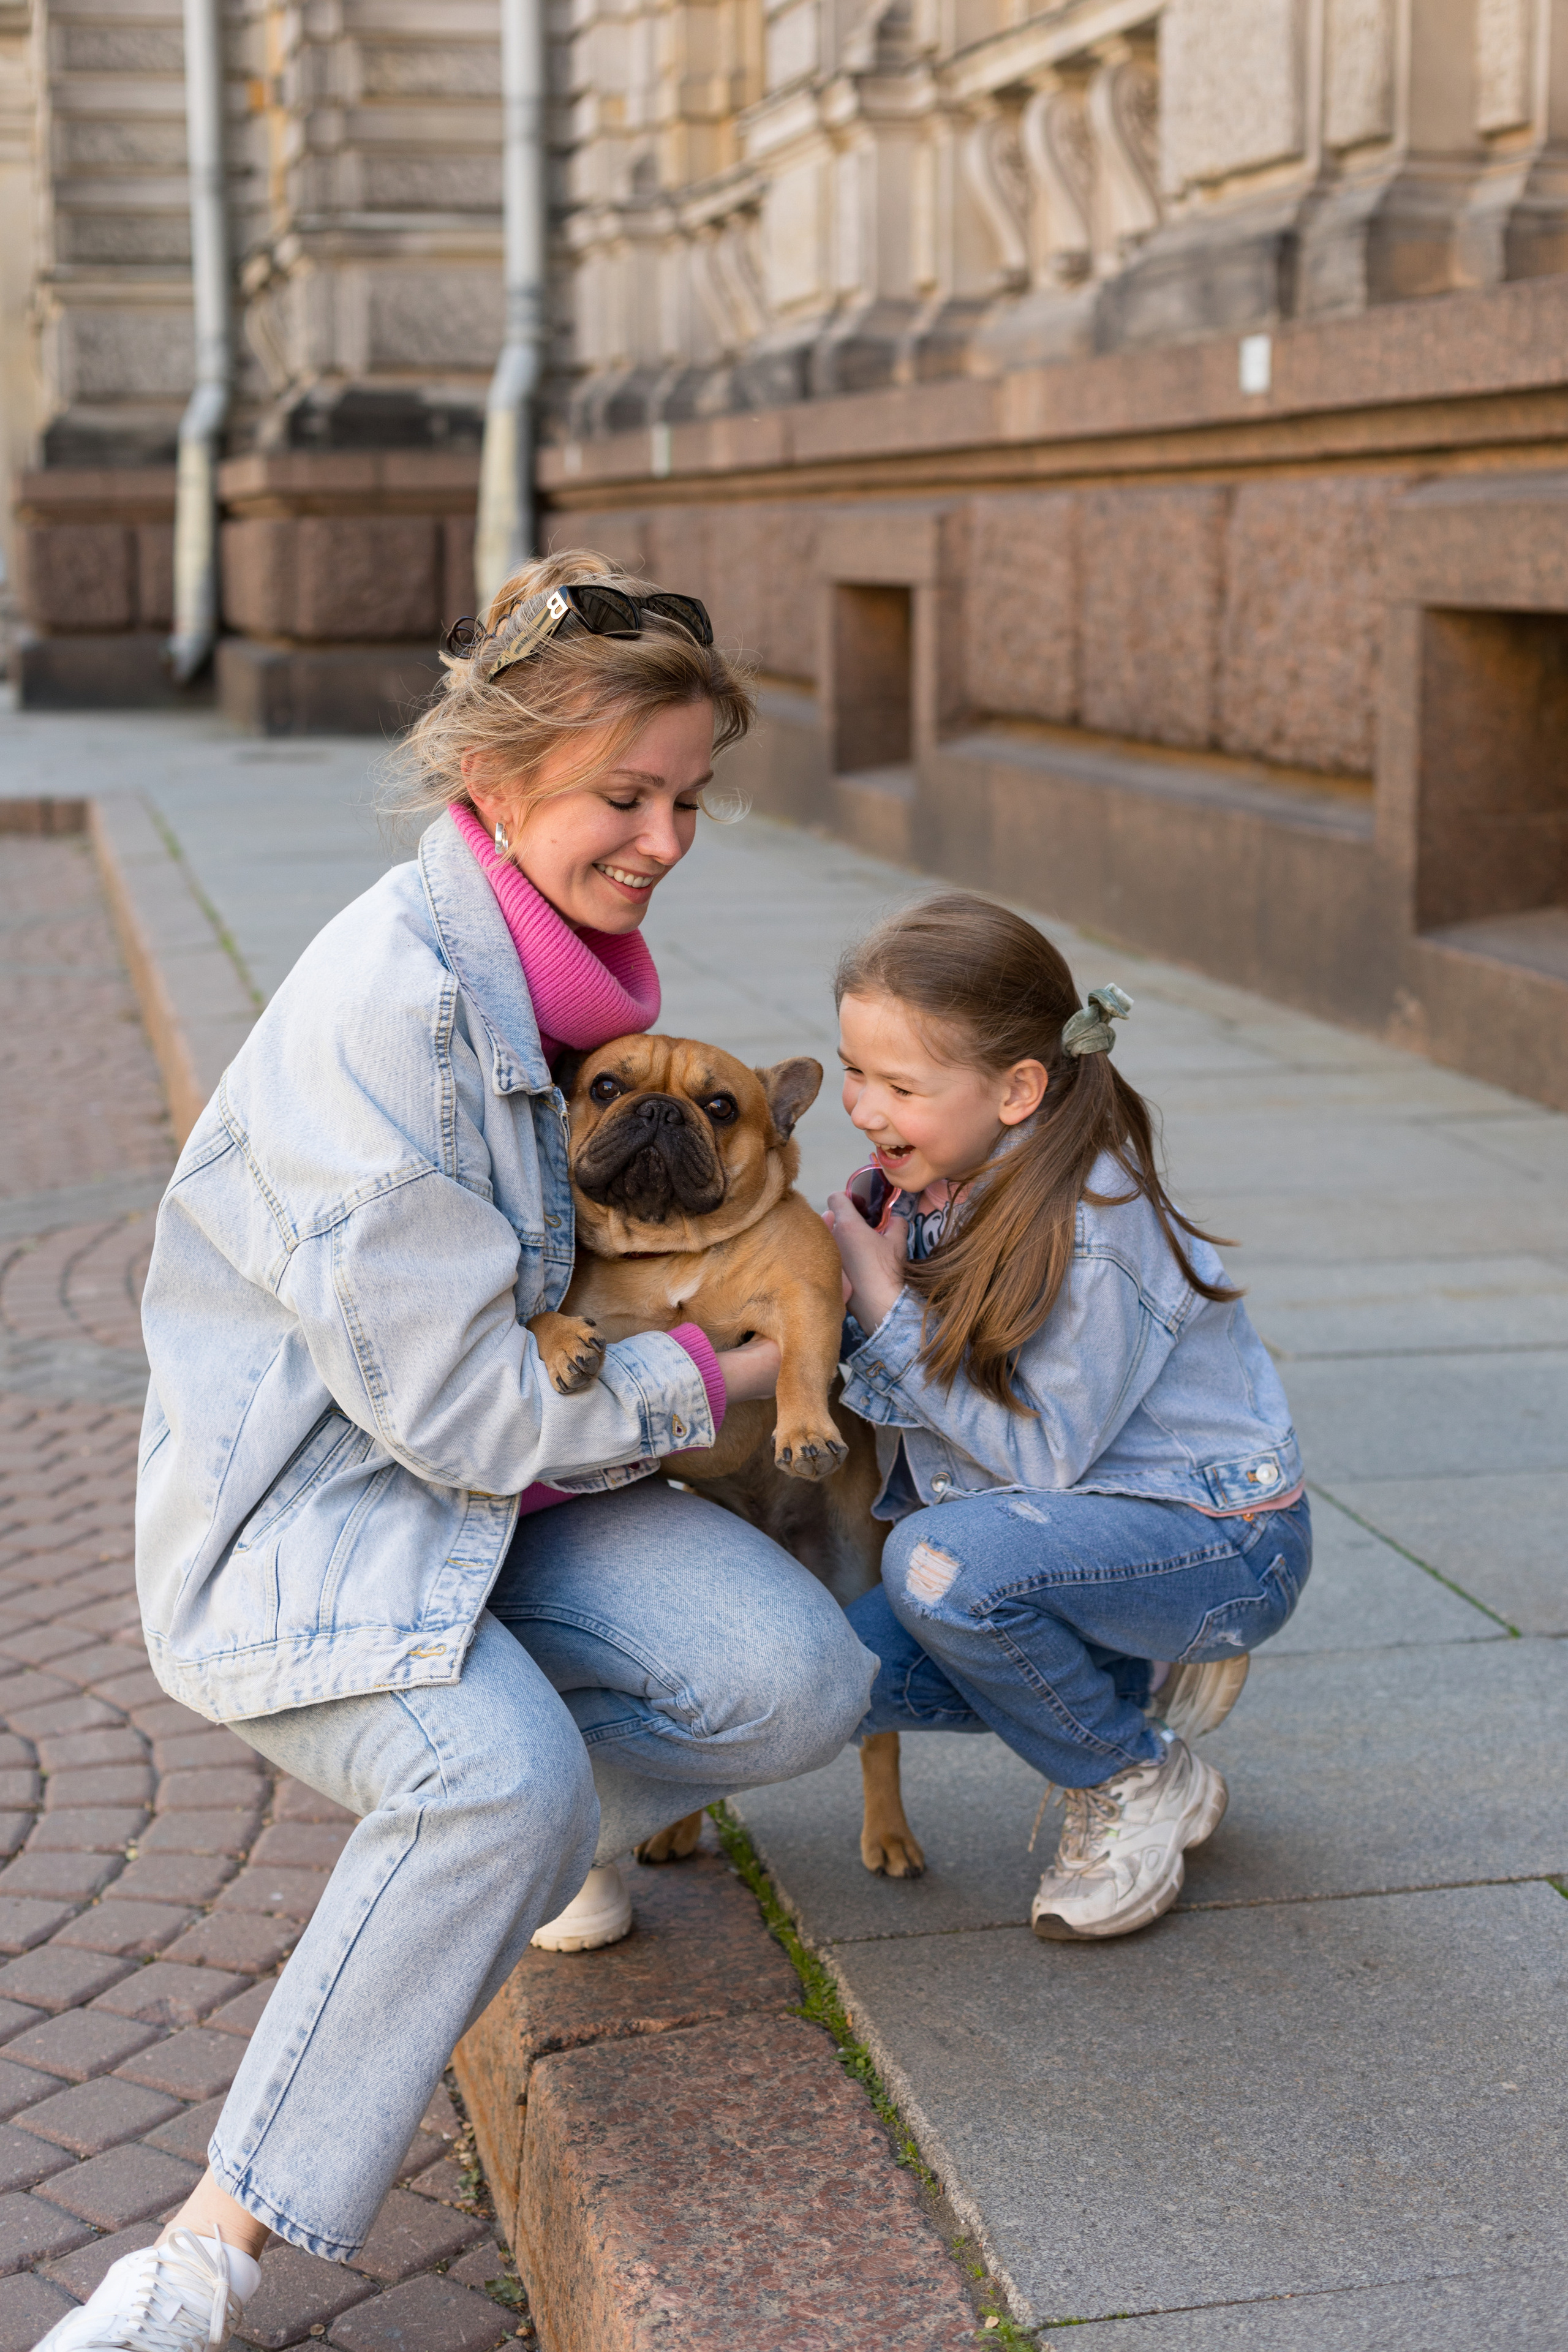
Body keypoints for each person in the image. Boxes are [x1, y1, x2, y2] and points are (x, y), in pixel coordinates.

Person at [39, 554, 874, 2352]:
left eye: (688, 801)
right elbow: (470, 1412)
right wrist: (715, 1376)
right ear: (494, 788)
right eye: (623, 798)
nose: (663, 839)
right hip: (329, 1522)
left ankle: (522, 1826)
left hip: (507, 1503)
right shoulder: (396, 1016)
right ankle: (200, 2260)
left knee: (800, 1674)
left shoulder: (557, 980)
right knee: (489, 1788)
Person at [823, 893, 1310, 1945]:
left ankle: (1136, 1778)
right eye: (857, 1071)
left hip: (1225, 1540)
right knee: (817, 1677)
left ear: (1019, 1089)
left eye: (901, 1086)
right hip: (1059, 1536)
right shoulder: (931, 1188)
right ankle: (1125, 1658)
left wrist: (881, 1305)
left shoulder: (1096, 1221)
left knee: (937, 1569)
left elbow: (1040, 1458)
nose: (862, 1107)